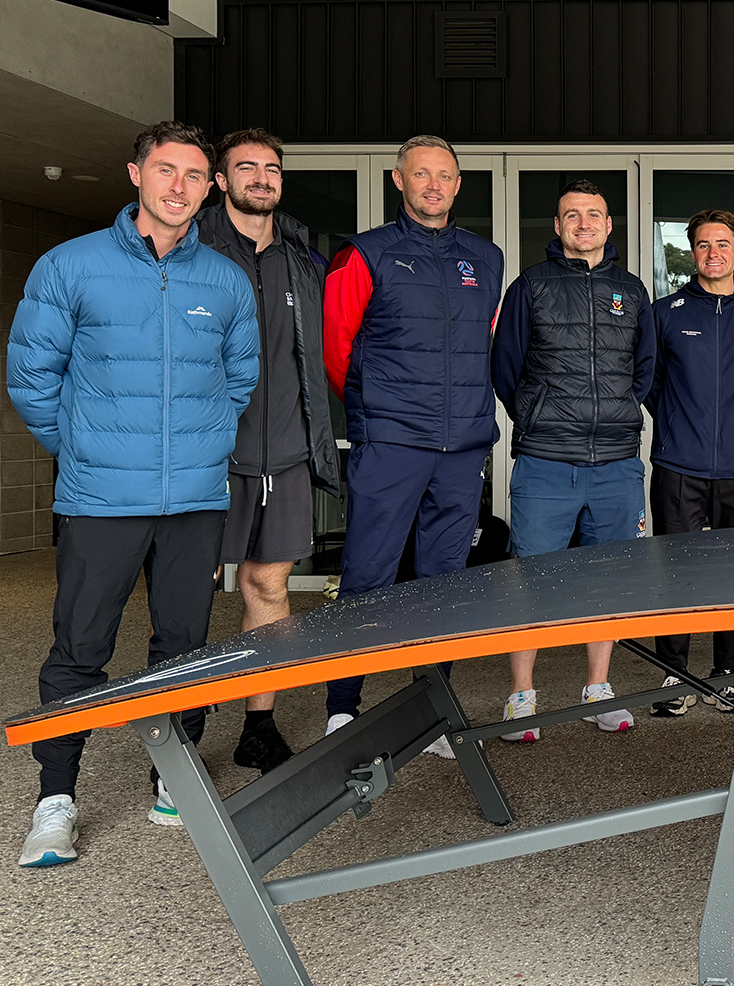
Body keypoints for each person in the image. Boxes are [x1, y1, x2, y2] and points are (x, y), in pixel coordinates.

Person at [9, 121, 258, 866]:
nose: (179, 186)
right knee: (81, 645)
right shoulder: (70, 265)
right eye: (166, 170)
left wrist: (203, 445)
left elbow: (238, 379)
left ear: (210, 188)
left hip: (195, 500)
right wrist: (83, 451)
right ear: (136, 174)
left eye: (194, 175)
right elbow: (32, 377)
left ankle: (172, 779)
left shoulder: (225, 279)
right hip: (100, 498)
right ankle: (56, 798)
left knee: (184, 647)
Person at [322, 136, 503, 756]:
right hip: (392, 443)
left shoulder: (486, 258)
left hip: (462, 448)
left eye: (444, 175)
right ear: (398, 180)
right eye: (421, 174)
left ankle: (433, 715)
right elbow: (338, 349)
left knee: (444, 583)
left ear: (458, 185)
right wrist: (377, 412)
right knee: (367, 574)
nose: (433, 185)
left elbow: (484, 341)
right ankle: (342, 708)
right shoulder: (366, 253)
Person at [194, 128, 341, 771]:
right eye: (246, 167)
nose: (261, 177)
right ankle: (183, 734)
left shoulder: (301, 258)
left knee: (269, 587)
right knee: (187, 597)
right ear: (220, 181)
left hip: (285, 452)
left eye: (272, 168)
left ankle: (259, 725)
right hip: (206, 457)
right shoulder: (192, 248)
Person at [492, 178, 657, 740]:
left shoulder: (631, 290)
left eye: (593, 214)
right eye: (572, 215)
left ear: (609, 226)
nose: (583, 223)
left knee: (608, 579)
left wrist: (615, 411)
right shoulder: (531, 286)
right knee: (529, 581)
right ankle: (521, 697)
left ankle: (598, 689)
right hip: (546, 461)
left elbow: (644, 368)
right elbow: (506, 366)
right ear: (558, 226)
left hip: (616, 462)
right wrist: (537, 414)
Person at [646, 209, 734, 716]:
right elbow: (652, 382)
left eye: (723, 244)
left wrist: (733, 428)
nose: (713, 253)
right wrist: (681, 424)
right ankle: (674, 675)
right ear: (692, 252)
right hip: (678, 464)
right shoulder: (666, 312)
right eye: (704, 244)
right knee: (675, 573)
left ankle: (728, 676)